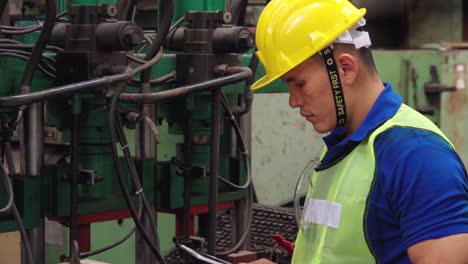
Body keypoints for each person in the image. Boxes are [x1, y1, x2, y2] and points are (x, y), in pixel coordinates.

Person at [244, 0, 468, 263]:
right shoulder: (344, 144)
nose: (293, 101)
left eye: (299, 84)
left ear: (345, 68)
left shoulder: (417, 157)